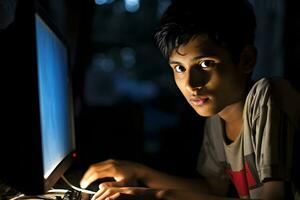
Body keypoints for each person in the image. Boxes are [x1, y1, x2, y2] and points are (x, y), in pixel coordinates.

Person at [79, 0, 300, 199]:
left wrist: (160, 196)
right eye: (179, 68)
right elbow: (213, 190)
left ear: (246, 60)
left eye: (205, 64)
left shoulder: (267, 97)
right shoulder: (216, 117)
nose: (191, 84)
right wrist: (139, 173)